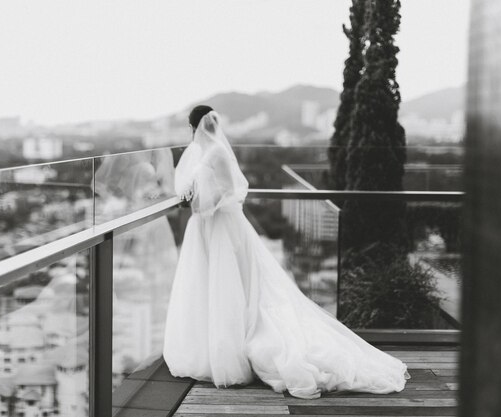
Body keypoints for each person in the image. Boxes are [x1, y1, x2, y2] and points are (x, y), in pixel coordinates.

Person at [163, 105, 410, 399]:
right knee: (209, 287)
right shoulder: (199, 153)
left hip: (222, 227)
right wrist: (190, 195)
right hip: (206, 228)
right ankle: (210, 347)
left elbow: (228, 193)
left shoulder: (215, 153)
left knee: (232, 286)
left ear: (194, 127)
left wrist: (200, 200)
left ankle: (231, 352)